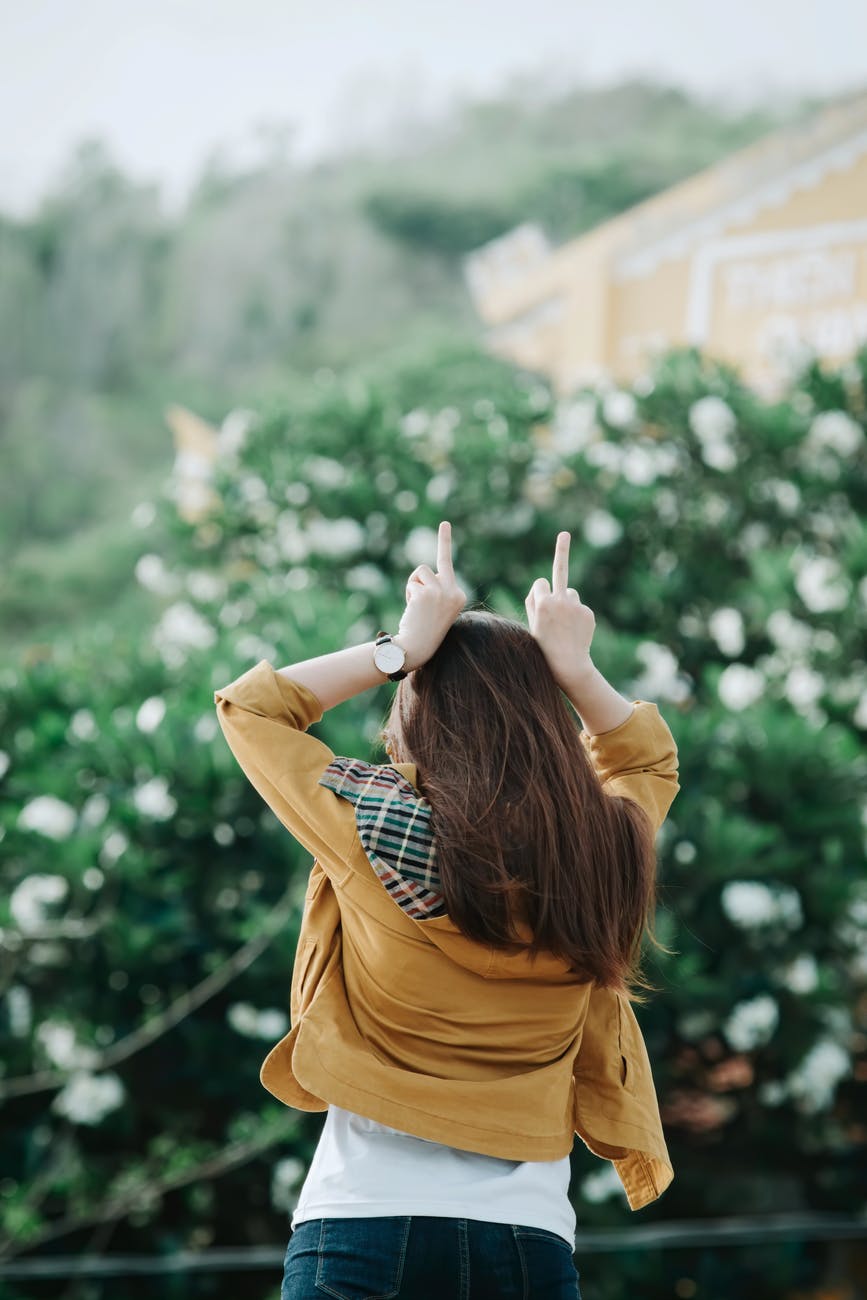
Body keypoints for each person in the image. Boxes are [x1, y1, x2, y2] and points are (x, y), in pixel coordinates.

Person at [214, 521, 680, 1300]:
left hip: (361, 1228)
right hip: (527, 1245)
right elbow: (644, 760)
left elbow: (251, 712)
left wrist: (400, 647)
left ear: (417, 715)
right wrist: (574, 668)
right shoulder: (605, 851)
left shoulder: (365, 822)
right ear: (544, 718)